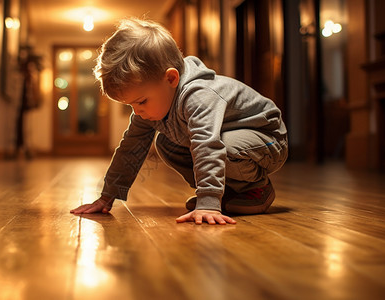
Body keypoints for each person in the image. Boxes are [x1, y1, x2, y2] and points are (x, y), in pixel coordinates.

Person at [70, 18, 288, 225]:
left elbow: (207, 145)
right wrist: (107, 196)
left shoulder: (199, 95)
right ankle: (230, 191)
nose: (138, 111)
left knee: (219, 147)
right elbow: (131, 148)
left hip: (267, 140)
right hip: (230, 140)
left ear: (171, 78)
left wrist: (208, 202)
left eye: (142, 101)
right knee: (166, 144)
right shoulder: (153, 105)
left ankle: (257, 188)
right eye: (131, 105)